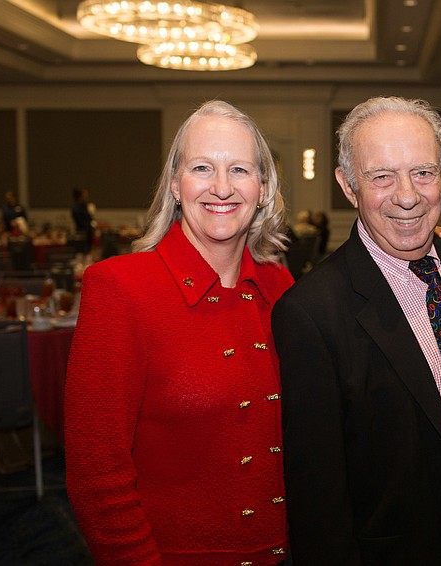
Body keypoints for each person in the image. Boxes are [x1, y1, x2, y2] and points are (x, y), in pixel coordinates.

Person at [272, 96, 441, 566]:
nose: (407, 195)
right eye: (381, 177)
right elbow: (317, 496)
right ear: (347, 184)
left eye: (422, 173)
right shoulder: (312, 312)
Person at [65, 100, 293, 565]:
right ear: (174, 183)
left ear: (263, 187)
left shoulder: (280, 287)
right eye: (202, 167)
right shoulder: (120, 288)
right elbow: (97, 475)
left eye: (241, 170)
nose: (222, 187)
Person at [71, 187, 95, 253]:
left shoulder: (85, 206)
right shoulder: (76, 207)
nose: (86, 197)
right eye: (85, 195)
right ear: (80, 196)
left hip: (87, 233)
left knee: (88, 251)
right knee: (81, 252)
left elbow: (90, 218)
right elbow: (80, 221)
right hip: (81, 233)